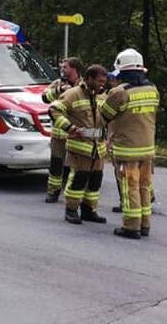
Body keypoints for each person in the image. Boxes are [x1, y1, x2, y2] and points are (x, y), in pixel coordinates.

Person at [102, 49, 159, 239]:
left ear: (122, 72)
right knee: (144, 186)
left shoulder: (119, 93)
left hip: (127, 149)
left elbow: (105, 115)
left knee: (129, 187)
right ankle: (145, 225)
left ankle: (131, 227)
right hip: (148, 148)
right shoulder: (153, 89)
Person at [49, 65, 109, 225]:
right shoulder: (73, 94)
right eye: (99, 81)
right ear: (89, 78)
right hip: (80, 148)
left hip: (99, 149)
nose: (102, 85)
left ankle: (89, 211)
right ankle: (71, 210)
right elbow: (54, 110)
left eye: (104, 82)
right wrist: (69, 128)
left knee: (95, 181)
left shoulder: (102, 96)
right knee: (78, 180)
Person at [42, 57, 84, 203]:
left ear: (74, 69)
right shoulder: (58, 83)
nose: (62, 69)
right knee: (56, 164)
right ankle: (53, 192)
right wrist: (59, 90)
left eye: (65, 67)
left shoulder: (84, 85)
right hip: (59, 133)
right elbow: (44, 97)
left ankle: (75, 194)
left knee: (77, 166)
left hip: (76, 133)